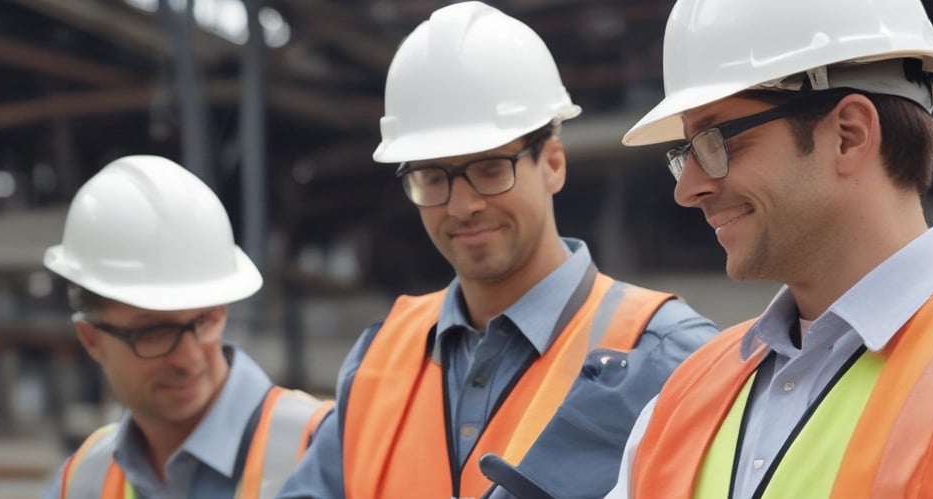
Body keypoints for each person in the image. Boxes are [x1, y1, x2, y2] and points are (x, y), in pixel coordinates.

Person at [276, 2, 717, 498]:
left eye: (490, 169)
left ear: (552, 163)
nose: (462, 206)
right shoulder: (376, 360)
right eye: (432, 177)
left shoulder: (671, 358)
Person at [605, 0, 933, 497]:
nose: (686, 189)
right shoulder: (681, 403)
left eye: (714, 142)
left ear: (848, 135)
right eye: (685, 153)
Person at [42, 155, 334, 499]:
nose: (190, 357)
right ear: (92, 340)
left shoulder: (323, 448)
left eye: (205, 319)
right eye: (154, 332)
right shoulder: (82, 482)